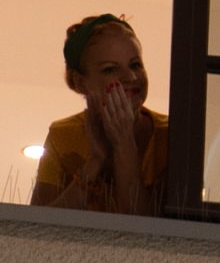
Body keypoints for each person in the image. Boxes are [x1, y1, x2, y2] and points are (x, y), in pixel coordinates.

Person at [30, 13, 167, 214]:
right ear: (80, 82)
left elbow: (144, 228)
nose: (131, 77)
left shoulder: (171, 135)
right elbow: (37, 224)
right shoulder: (63, 135)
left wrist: (124, 144)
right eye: (110, 69)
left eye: (136, 65)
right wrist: (96, 161)